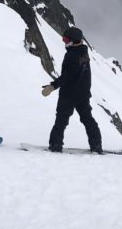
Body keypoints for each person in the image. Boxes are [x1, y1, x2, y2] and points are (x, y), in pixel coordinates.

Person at [43, 26, 103, 154]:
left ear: (74, 40)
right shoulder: (83, 52)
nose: (64, 42)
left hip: (69, 94)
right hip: (83, 94)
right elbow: (83, 74)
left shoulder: (72, 55)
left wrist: (53, 86)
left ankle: (55, 145)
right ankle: (96, 146)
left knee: (61, 120)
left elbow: (68, 75)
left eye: (66, 40)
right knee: (88, 119)